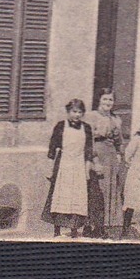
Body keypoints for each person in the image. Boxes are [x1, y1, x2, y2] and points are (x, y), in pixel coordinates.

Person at [46, 99, 94, 237]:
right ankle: (57, 230)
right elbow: (52, 147)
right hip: (63, 163)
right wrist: (50, 169)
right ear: (68, 112)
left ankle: (74, 228)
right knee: (61, 195)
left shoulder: (87, 128)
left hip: (79, 164)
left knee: (77, 196)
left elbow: (89, 150)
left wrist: (87, 170)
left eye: (80, 112)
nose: (77, 115)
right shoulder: (60, 126)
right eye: (74, 111)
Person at [84, 91, 125, 238]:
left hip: (111, 155)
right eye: (105, 99)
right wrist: (93, 159)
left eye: (111, 99)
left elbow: (119, 140)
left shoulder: (116, 119)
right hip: (97, 153)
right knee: (97, 190)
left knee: (110, 189)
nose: (108, 102)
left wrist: (120, 154)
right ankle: (91, 225)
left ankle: (105, 226)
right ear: (99, 100)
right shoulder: (91, 116)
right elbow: (88, 138)